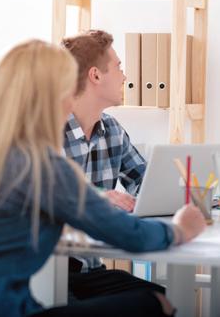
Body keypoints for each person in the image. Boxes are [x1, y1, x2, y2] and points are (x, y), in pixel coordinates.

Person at [0, 40, 206, 317]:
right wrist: (180, 230)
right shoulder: (38, 164)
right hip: (8, 311)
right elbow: (128, 235)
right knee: (156, 304)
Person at [60, 30, 166, 304]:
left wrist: (197, 196)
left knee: (161, 297)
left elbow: (145, 182)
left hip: (90, 271)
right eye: (118, 67)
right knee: (148, 305)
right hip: (46, 272)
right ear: (95, 75)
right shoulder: (47, 132)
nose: (125, 77)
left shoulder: (112, 131)